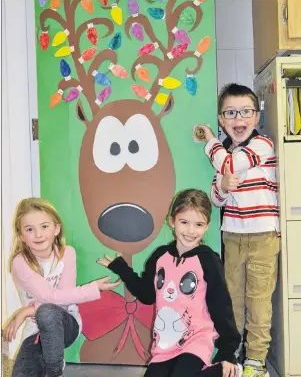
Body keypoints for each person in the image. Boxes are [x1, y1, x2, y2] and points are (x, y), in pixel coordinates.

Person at [98, 189, 242, 377]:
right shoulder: (160, 256)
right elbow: (147, 295)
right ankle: (217, 373)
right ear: (172, 221)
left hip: (196, 340)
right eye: (184, 222)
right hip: (164, 344)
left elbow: (221, 306)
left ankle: (228, 371)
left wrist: (228, 352)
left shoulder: (208, 260)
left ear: (206, 226)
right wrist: (122, 269)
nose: (191, 231)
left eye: (198, 224)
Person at [198, 83, 280, 377]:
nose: (238, 119)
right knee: (232, 298)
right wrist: (221, 185)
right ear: (221, 119)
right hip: (232, 234)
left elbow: (231, 163)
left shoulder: (262, 145)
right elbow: (216, 199)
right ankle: (232, 353)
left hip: (263, 235)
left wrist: (210, 142)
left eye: (246, 112)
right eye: (230, 113)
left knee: (258, 300)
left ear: (257, 117)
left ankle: (256, 361)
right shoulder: (224, 154)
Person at [2, 197, 121, 377]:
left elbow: (62, 302)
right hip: (35, 332)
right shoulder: (20, 263)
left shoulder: (67, 253)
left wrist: (25, 311)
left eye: (44, 226)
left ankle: (54, 370)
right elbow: (50, 296)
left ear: (56, 228)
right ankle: (48, 359)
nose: (38, 234)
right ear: (21, 236)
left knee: (48, 312)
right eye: (29, 229)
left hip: (66, 323)